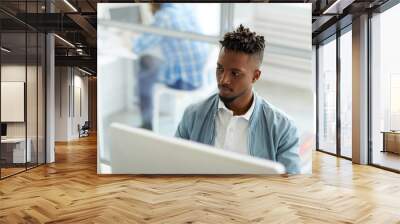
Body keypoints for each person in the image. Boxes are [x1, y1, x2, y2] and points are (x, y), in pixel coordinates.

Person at [175, 25, 301, 174]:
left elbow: (291, 184)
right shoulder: (193, 115)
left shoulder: (283, 127)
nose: (223, 80)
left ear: (255, 76)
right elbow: (174, 165)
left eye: (235, 73)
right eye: (220, 69)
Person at [132, 3, 209, 130]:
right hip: (201, 74)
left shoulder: (164, 16)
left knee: (145, 67)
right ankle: (146, 119)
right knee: (152, 61)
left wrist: (130, 36)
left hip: (184, 81)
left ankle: (146, 125)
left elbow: (138, 46)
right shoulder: (184, 7)